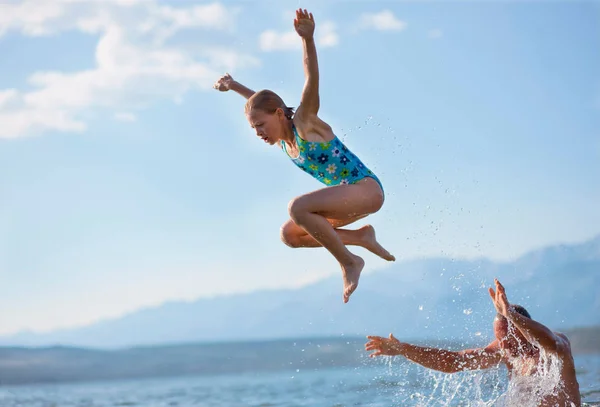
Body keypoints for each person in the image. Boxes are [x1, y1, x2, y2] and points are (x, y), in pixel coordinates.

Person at [213, 9, 395, 303]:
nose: (258, 132)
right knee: (291, 235)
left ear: (278, 113)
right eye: (253, 128)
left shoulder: (305, 123)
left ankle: (349, 262)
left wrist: (308, 39)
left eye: (260, 125)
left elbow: (311, 79)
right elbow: (256, 101)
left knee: (297, 208)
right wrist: (233, 85)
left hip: (366, 191)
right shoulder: (285, 141)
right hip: (347, 204)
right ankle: (362, 238)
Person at [365, 279, 581, 407]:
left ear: (523, 330)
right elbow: (453, 361)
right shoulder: (505, 352)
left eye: (507, 339)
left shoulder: (556, 348)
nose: (503, 345)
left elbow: (551, 341)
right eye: (499, 339)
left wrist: (511, 315)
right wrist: (404, 349)